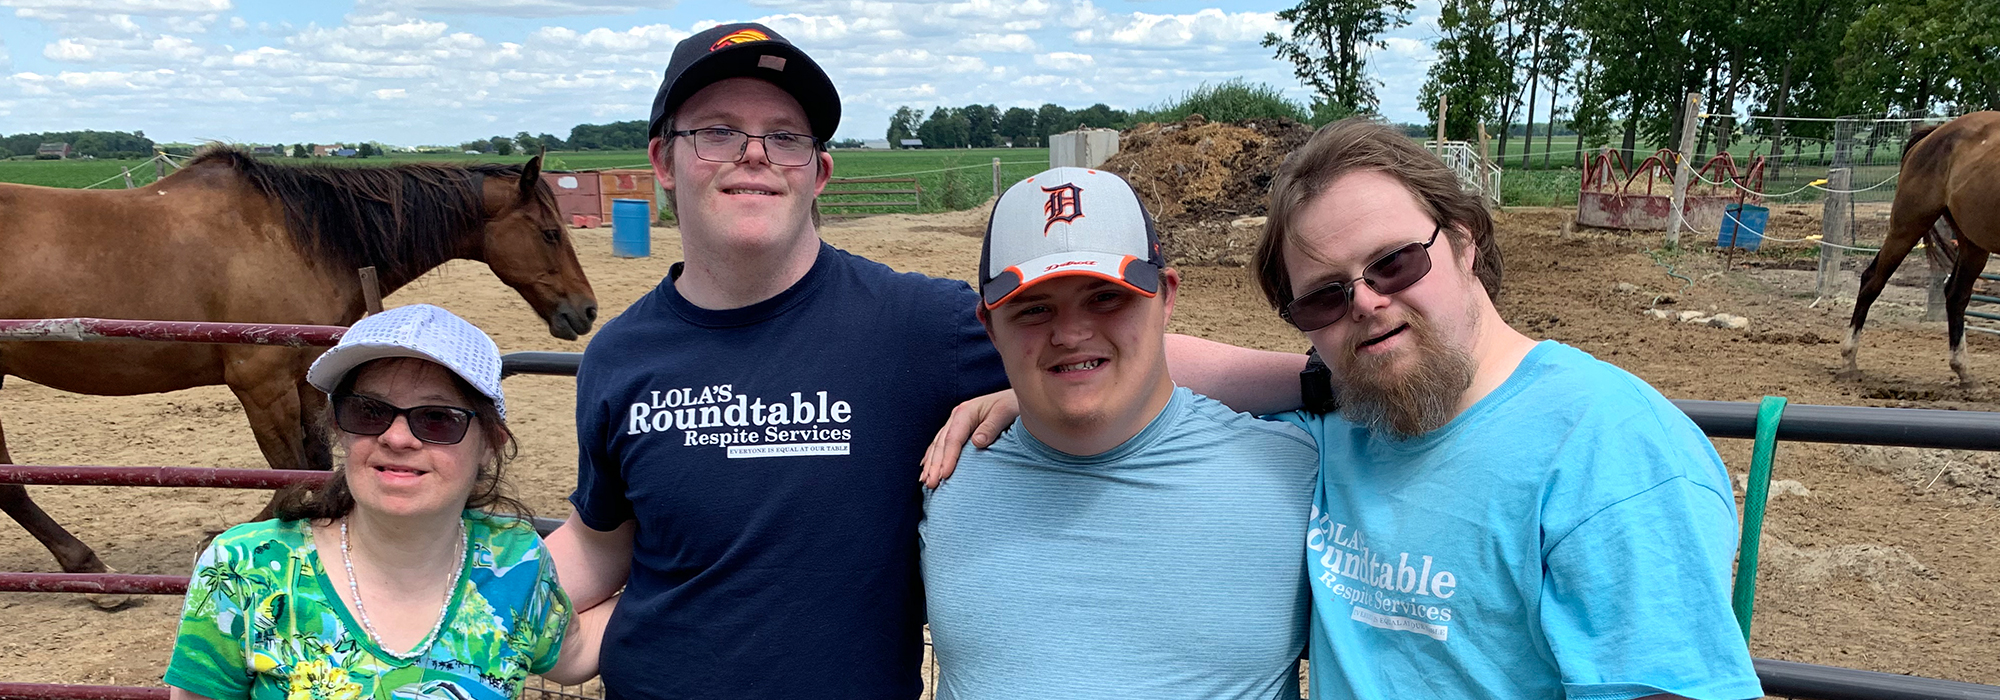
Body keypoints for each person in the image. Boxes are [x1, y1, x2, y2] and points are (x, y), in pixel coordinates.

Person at [543, 23, 1306, 700]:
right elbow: (600, 539)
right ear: (663, 162)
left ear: (820, 172)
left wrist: (1317, 379)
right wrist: (455, 604)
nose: (753, 155)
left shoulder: (914, 324)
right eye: (716, 130)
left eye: (785, 135)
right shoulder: (621, 355)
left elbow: (1110, 351)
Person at [1254, 118, 1762, 699]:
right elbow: (1147, 369)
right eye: (1324, 297)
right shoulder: (1339, 424)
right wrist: (1318, 377)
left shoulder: (1612, 450)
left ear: (1465, 242)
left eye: (1393, 263)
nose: (1366, 302)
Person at [920, 167, 1318, 700]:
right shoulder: (942, 479)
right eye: (1034, 309)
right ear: (990, 326)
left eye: (1106, 297)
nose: (1071, 333)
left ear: (1166, 297)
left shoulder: (1299, 471)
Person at [165, 304, 606, 700]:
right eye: (368, 412)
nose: (396, 437)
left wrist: (674, 577)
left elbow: (576, 649)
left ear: (490, 443)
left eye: (437, 418)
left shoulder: (515, 561)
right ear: (339, 429)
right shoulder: (245, 568)